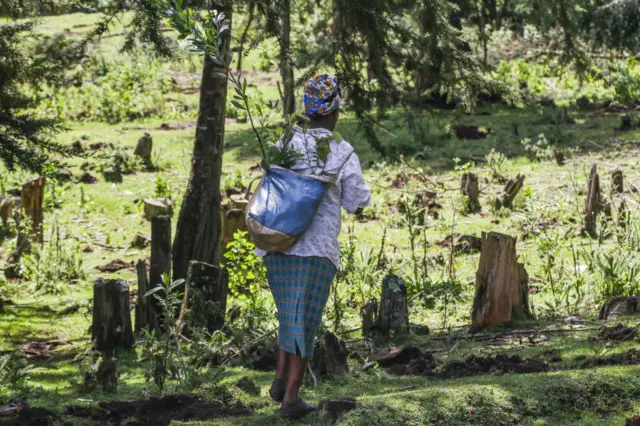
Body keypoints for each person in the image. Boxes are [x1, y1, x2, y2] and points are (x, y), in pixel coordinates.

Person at [256, 74, 370, 420]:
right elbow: (357, 201)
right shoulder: (341, 150)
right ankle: (291, 399)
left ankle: (279, 379)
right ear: (335, 111)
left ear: (308, 111)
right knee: (304, 321)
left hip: (276, 243)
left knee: (288, 314)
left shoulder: (287, 139)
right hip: (316, 249)